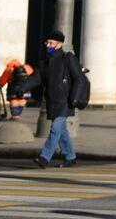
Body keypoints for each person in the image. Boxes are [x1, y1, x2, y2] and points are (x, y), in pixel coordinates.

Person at [12, 31, 84, 168]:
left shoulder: (68, 58)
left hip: (65, 101)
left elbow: (78, 78)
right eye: (47, 42)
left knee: (55, 129)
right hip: (52, 102)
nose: (48, 45)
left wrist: (74, 98)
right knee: (61, 131)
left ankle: (44, 157)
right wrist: (22, 88)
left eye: (51, 43)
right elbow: (35, 78)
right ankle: (70, 156)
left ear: (59, 44)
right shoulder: (45, 62)